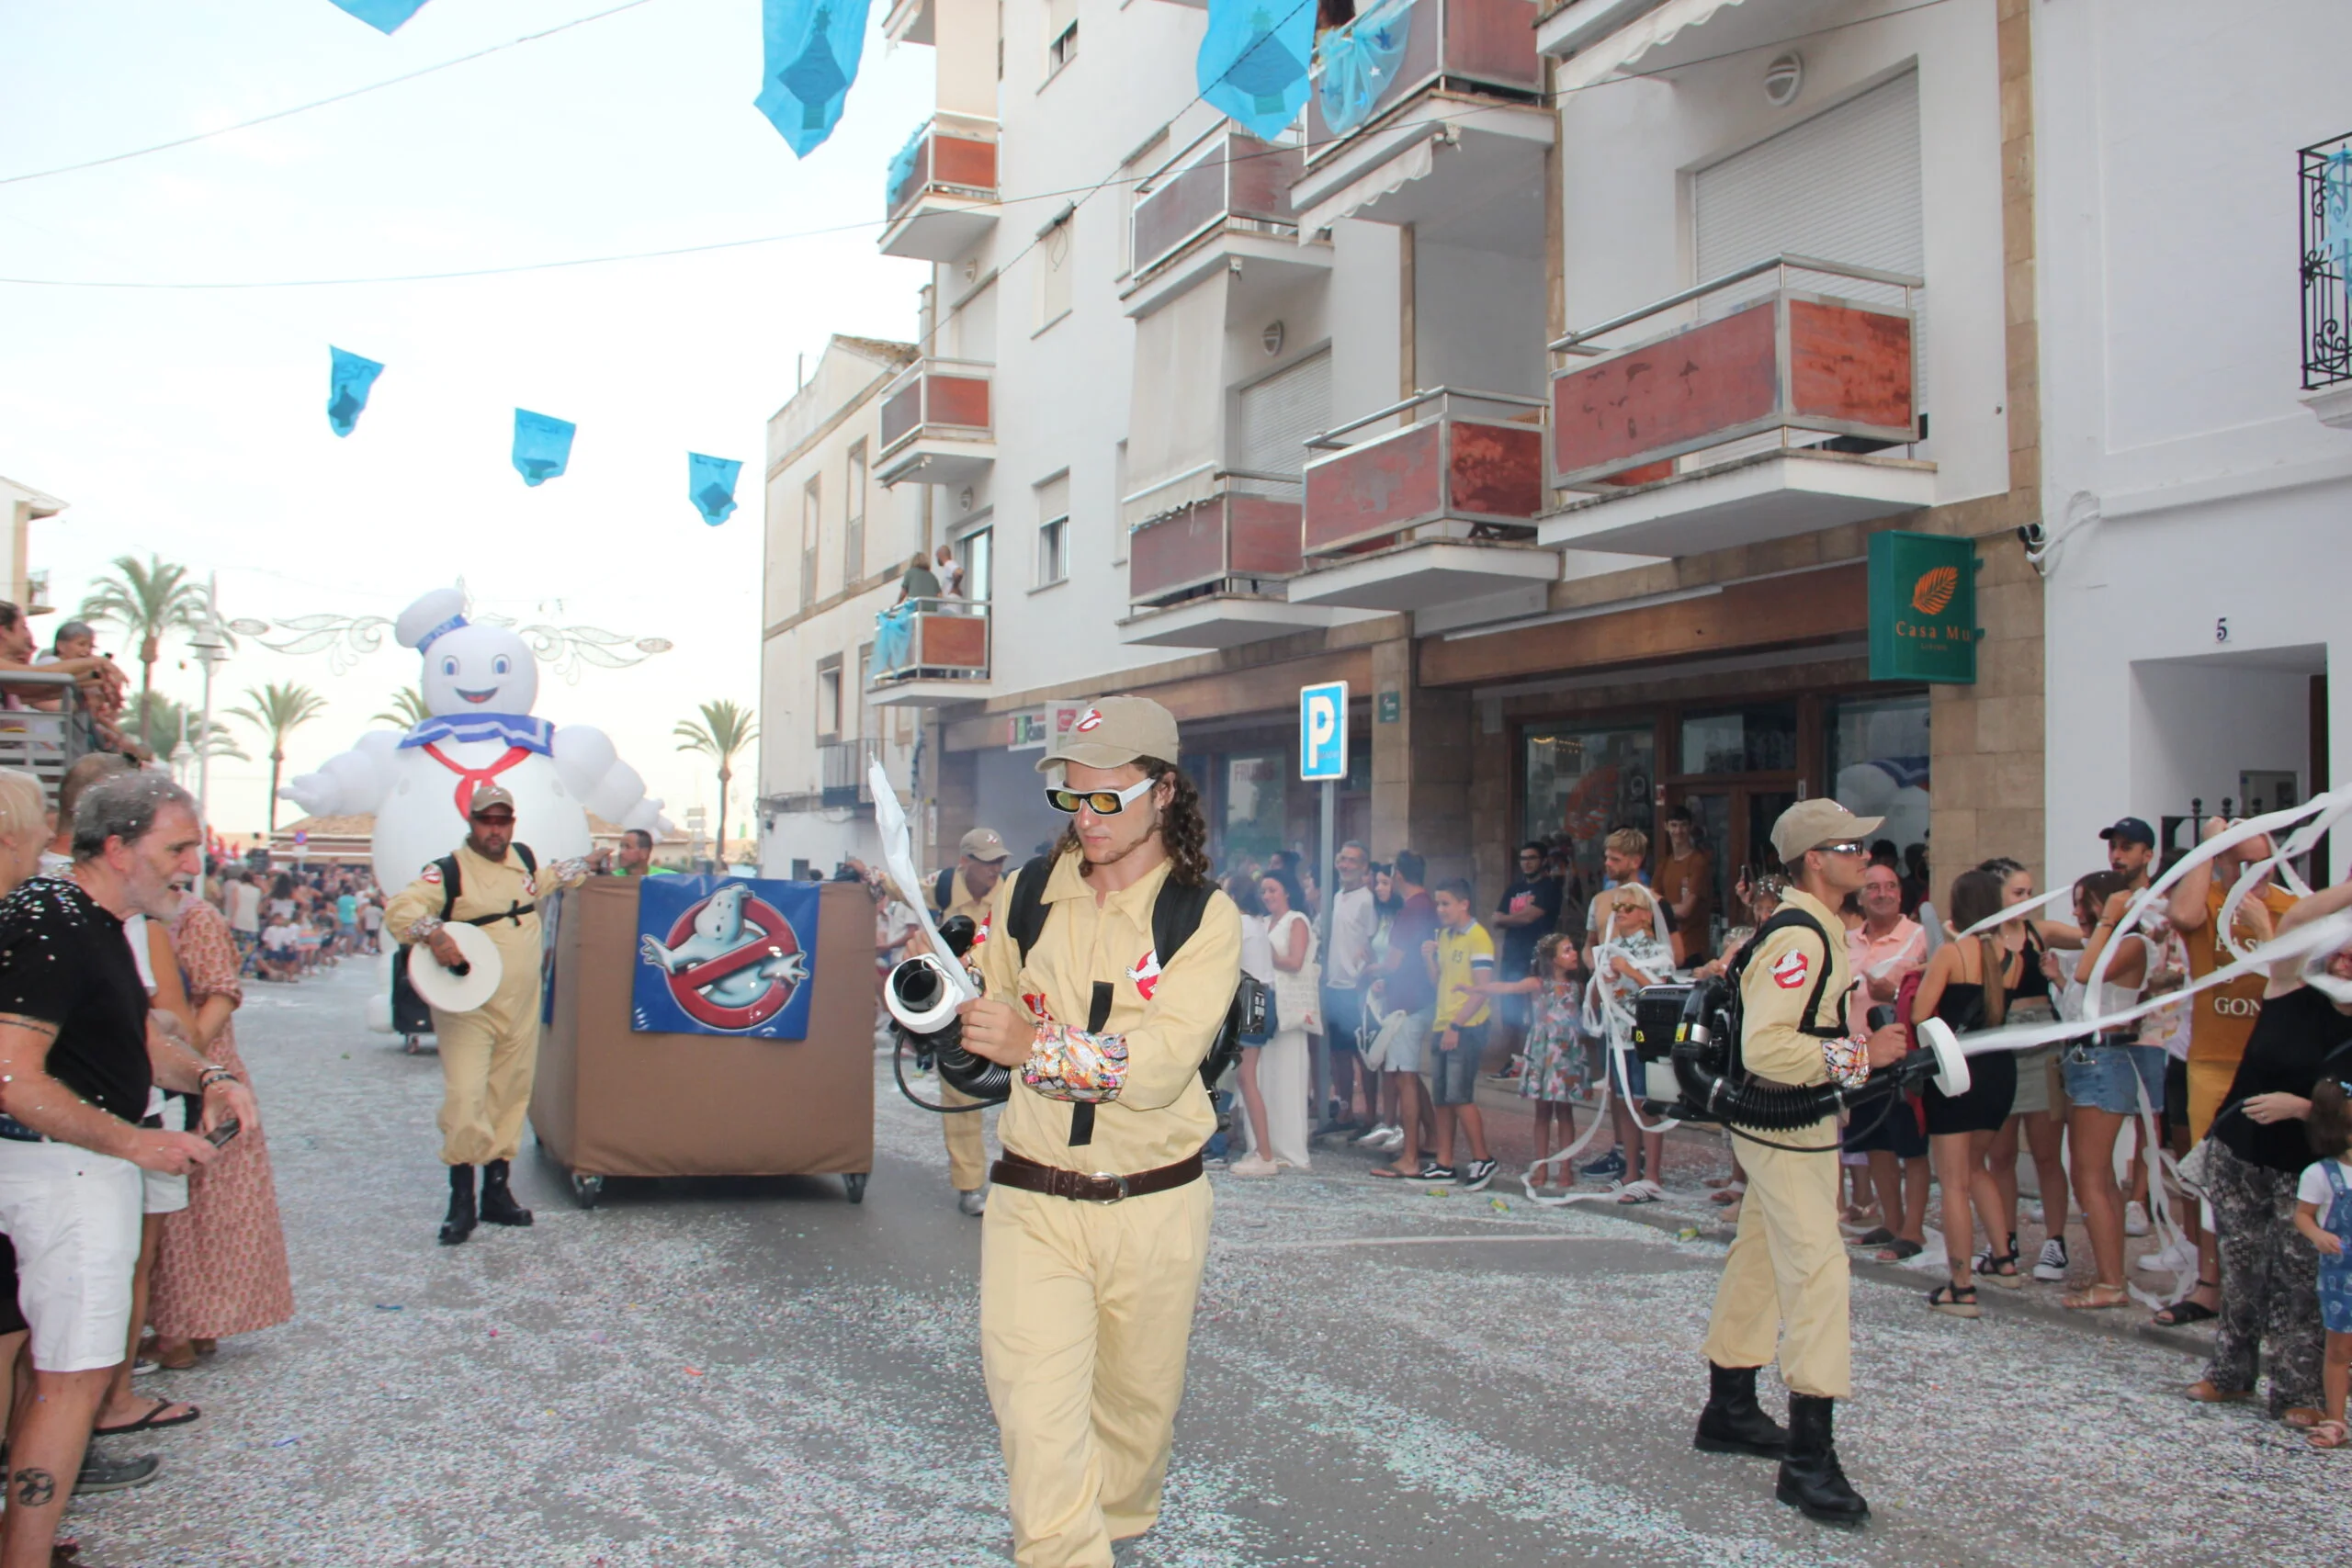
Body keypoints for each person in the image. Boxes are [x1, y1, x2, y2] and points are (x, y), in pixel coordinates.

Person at [952, 695, 1239, 1566]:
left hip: (1156, 1208)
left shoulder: (1203, 916)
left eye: (1108, 797)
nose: (1087, 817)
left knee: (1133, 1425)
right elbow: (984, 994)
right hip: (1034, 1200)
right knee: (1036, 1419)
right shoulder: (1029, 891)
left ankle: (1110, 1531)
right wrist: (945, 999)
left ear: (1164, 792)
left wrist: (1033, 1044)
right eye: (1072, 798)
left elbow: (1156, 1068)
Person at [0, 773, 260, 1567]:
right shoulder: (58, 922)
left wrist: (209, 1078)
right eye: (176, 846)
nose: (192, 863)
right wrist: (133, 1142)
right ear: (116, 848)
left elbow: (137, 1041)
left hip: (61, 1175)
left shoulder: (87, 918)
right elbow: (11, 1072)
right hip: (63, 1183)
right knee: (70, 1378)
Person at [1692, 799, 1905, 1529]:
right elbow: (1766, 1047)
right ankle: (1809, 1459)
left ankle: (1731, 1405)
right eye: (1851, 846)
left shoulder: (1817, 930)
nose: (1866, 858)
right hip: (1783, 1122)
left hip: (1794, 1122)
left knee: (1760, 1255)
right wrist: (1858, 1055)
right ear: (1815, 857)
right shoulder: (1804, 936)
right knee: (1819, 1271)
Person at [382, 784, 585, 1245]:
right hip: (469, 1008)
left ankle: (497, 1191)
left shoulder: (525, 861)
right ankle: (461, 1199)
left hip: (520, 1005)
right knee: (466, 1097)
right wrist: (433, 933)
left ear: (513, 822)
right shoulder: (447, 871)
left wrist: (590, 866)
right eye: (486, 820)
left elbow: (552, 878)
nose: (495, 830)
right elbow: (402, 907)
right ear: (471, 822)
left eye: (503, 820)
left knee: (510, 1095)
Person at [2186, 876, 2352, 1426]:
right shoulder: (2292, 984)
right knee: (2243, 1269)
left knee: (2300, 1280)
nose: (2347, 959)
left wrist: (2303, 1108)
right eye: (2343, 948)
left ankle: (2299, 1393)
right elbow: (2300, 918)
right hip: (2242, 1152)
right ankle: (2230, 1375)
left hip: (2310, 1171)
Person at [2158, 815, 2302, 1327]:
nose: (2252, 873)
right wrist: (2211, 843)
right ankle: (2212, 1286)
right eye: (2239, 862)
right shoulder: (2211, 903)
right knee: (2215, 1181)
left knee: (2281, 1182)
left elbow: (2305, 981)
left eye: (2260, 862)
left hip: (2274, 1062)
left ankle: (2274, 1293)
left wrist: (2266, 922)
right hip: (2213, 1062)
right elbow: (2182, 912)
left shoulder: (2293, 908)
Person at [147, 878, 296, 1367]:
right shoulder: (162, 913)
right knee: (190, 1212)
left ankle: (181, 1333)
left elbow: (222, 992)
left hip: (199, 1077)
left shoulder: (195, 916)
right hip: (189, 1070)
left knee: (195, 1213)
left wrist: (190, 1055)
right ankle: (191, 1328)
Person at [1842, 862, 1929, 1260]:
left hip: (1902, 1055)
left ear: (1901, 893)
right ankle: (1891, 1221)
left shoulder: (1921, 938)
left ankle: (1914, 1230)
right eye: (1873, 887)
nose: (1883, 893)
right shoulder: (1845, 941)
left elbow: (1930, 998)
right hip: (1857, 1054)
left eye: (1891, 886)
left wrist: (1892, 994)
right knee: (1873, 1141)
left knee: (1910, 1146)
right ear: (1860, 897)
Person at [928, 827, 1014, 1215]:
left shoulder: (1012, 893)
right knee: (961, 1098)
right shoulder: (943, 889)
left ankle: (1024, 1181)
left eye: (999, 860)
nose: (995, 869)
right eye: (986, 862)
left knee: (1026, 1095)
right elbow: (899, 886)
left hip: (1010, 1005)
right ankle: (969, 1186)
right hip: (957, 1011)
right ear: (965, 862)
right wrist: (870, 880)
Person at [1480, 932, 1582, 1189]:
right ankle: (1541, 1165)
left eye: (1573, 949)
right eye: (1567, 950)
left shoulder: (1577, 987)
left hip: (1566, 1054)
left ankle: (1566, 1168)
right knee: (1543, 1112)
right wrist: (1476, 988)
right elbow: (1506, 987)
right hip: (1544, 1052)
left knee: (1566, 1111)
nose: (1574, 953)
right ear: (1553, 959)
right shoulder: (1538, 984)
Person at [1233, 867, 1316, 1176]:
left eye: (1273, 890)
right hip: (1264, 1000)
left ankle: (1274, 1151)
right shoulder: (1260, 922)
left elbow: (1294, 962)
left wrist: (1266, 954)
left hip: (1271, 1003)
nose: (1267, 896)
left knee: (1262, 1077)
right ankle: (1264, 1146)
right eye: (1264, 891)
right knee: (1258, 1078)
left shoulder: (1295, 921)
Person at [1594, 892, 1672, 1201]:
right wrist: (1602, 981)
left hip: (1644, 1033)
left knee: (1645, 1100)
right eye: (1616, 907)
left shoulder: (1656, 949)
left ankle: (1652, 1173)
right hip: (1617, 1032)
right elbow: (1600, 996)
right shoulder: (1612, 948)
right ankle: (1630, 1170)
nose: (1620, 912)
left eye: (1627, 907)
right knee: (1624, 1100)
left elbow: (1662, 989)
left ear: (1645, 914)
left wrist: (1627, 970)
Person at [1368, 852, 1439, 1181]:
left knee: (1404, 1077)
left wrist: (1371, 968)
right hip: (1419, 997)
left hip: (1407, 1003)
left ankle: (1410, 1157)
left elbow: (1394, 961)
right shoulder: (1427, 905)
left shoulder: (1412, 910)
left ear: (1398, 876)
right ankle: (1433, 1138)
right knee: (1408, 1072)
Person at [2290, 1077, 2352, 1450]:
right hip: (2340, 1272)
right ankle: (2336, 1417)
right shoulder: (2320, 1175)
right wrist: (2317, 1235)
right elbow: (2303, 1215)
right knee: (2339, 1349)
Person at [1423, 879, 1497, 1189]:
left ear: (1464, 904)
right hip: (1443, 1022)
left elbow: (1482, 989)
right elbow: (1438, 981)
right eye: (1438, 904)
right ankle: (1444, 1161)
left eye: (1446, 904)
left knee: (1459, 1094)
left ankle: (1483, 1158)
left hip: (1466, 1025)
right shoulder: (1444, 935)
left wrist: (1456, 1025)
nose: (1440, 910)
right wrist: (1428, 957)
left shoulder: (1478, 937)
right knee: (1441, 1096)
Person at [1488, 842, 1562, 1078]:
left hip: (1537, 958)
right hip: (1512, 957)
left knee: (1535, 1012)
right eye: (1522, 858)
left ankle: (1537, 1063)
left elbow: (1530, 918)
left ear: (1542, 861)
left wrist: (1508, 919)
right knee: (1510, 1012)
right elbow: (1494, 917)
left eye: (1531, 858)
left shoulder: (1549, 888)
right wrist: (1515, 918)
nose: (1526, 862)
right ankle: (1514, 1062)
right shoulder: (1514, 889)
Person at [1320, 840, 1377, 1132]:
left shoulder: (1368, 899)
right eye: (1342, 859)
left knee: (1362, 1054)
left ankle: (1370, 1113)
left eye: (1353, 861)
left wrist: (1364, 976)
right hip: (1334, 984)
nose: (1345, 865)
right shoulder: (1338, 896)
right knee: (1338, 1053)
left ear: (1364, 867)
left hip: (1356, 987)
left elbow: (1372, 941)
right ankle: (1344, 1109)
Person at [1658, 808, 1715, 965]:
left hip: (1693, 949)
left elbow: (1685, 911)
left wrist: (1661, 909)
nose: (1678, 831)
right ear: (1666, 827)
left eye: (1683, 825)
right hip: (1667, 948)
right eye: (1674, 825)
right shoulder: (1664, 864)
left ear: (1690, 827)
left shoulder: (1698, 862)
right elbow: (1651, 903)